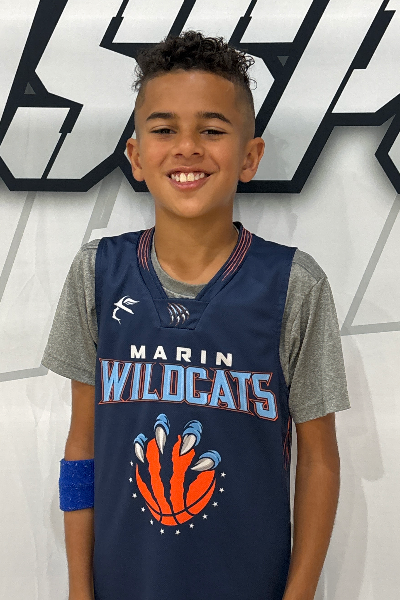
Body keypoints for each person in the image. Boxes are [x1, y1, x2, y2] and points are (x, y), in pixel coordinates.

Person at [42, 31, 350, 600]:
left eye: (212, 130)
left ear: (250, 157)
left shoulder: (294, 284)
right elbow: (82, 446)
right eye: (164, 130)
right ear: (136, 156)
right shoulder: (97, 272)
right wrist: (78, 589)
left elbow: (319, 461)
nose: (187, 148)